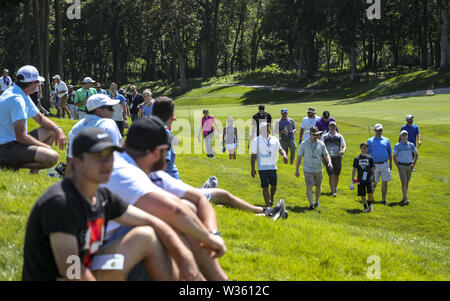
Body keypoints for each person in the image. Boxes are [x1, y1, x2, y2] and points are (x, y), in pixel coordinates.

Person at [22, 127, 202, 281]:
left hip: (87, 268)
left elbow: (154, 222)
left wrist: (185, 257)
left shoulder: (101, 195)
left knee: (146, 235)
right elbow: (72, 271)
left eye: (110, 156)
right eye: (97, 156)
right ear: (76, 161)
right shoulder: (61, 203)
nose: (107, 163)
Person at [103, 117, 229, 281]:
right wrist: (208, 239)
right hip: (96, 260)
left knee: (186, 209)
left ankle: (219, 281)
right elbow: (173, 211)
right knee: (153, 231)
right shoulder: (123, 171)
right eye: (167, 150)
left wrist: (213, 233)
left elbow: (198, 198)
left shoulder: (140, 167)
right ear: (157, 152)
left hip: (112, 251)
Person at [152, 96, 288, 219]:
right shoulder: (163, 135)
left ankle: (204, 191)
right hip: (172, 191)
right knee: (224, 195)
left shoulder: (151, 130)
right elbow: (158, 171)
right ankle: (267, 212)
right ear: (171, 115)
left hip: (170, 189)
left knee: (218, 203)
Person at [0, 65, 66, 173]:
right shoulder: (17, 100)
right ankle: (7, 165)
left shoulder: (18, 92)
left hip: (11, 142)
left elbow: (40, 118)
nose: (38, 85)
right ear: (32, 84)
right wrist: (45, 148)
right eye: (37, 82)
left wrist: (57, 128)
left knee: (51, 131)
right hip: (5, 147)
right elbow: (22, 137)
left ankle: (33, 174)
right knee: (52, 157)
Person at [65, 94, 123, 176]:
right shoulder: (108, 123)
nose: (113, 111)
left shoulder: (75, 129)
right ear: (99, 111)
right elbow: (117, 156)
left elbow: (70, 161)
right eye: (110, 108)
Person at [251, 121, 288, 207]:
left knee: (274, 186)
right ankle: (267, 205)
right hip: (262, 168)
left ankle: (272, 196)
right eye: (264, 128)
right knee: (265, 187)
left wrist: (284, 155)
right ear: (260, 130)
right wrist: (252, 169)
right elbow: (253, 156)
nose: (267, 129)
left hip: (273, 167)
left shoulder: (274, 139)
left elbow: (280, 149)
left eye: (268, 127)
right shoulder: (256, 140)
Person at [295, 126, 332, 210]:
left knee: (318, 186)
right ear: (310, 134)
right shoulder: (303, 144)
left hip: (318, 169)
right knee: (309, 186)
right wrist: (297, 170)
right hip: (308, 169)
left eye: (317, 135)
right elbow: (299, 157)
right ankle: (311, 203)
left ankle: (316, 201)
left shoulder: (321, 144)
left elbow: (326, 154)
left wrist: (329, 162)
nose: (316, 136)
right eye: (314, 135)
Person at [367, 123, 392, 205]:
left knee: (385, 182)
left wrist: (391, 163)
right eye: (378, 130)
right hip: (374, 165)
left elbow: (389, 152)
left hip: (385, 164)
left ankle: (383, 199)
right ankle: (371, 197)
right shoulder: (370, 141)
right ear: (374, 130)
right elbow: (367, 153)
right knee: (374, 182)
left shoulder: (386, 140)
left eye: (381, 130)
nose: (379, 132)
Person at [321, 121, 346, 197]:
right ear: (329, 127)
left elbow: (344, 145)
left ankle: (335, 187)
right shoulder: (324, 136)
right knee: (331, 174)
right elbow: (321, 146)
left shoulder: (339, 136)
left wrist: (343, 151)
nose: (332, 127)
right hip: (328, 158)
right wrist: (322, 157)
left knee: (337, 174)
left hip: (337, 157)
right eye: (331, 126)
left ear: (335, 127)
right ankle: (333, 191)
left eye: (333, 126)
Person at [393, 130, 419, 205]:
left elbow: (416, 154)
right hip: (401, 165)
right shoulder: (397, 145)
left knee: (407, 182)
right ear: (401, 136)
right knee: (404, 182)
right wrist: (397, 166)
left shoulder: (411, 145)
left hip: (409, 165)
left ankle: (404, 196)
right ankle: (405, 198)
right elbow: (394, 156)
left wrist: (413, 164)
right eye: (403, 135)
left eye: (405, 135)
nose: (404, 136)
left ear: (407, 136)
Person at [352, 142, 376, 213]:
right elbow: (354, 169)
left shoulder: (370, 158)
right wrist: (353, 178)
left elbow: (372, 168)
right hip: (359, 179)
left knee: (370, 192)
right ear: (360, 148)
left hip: (369, 178)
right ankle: (365, 207)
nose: (364, 149)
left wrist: (374, 178)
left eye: (366, 147)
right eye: (363, 147)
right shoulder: (357, 158)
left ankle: (370, 204)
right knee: (362, 194)